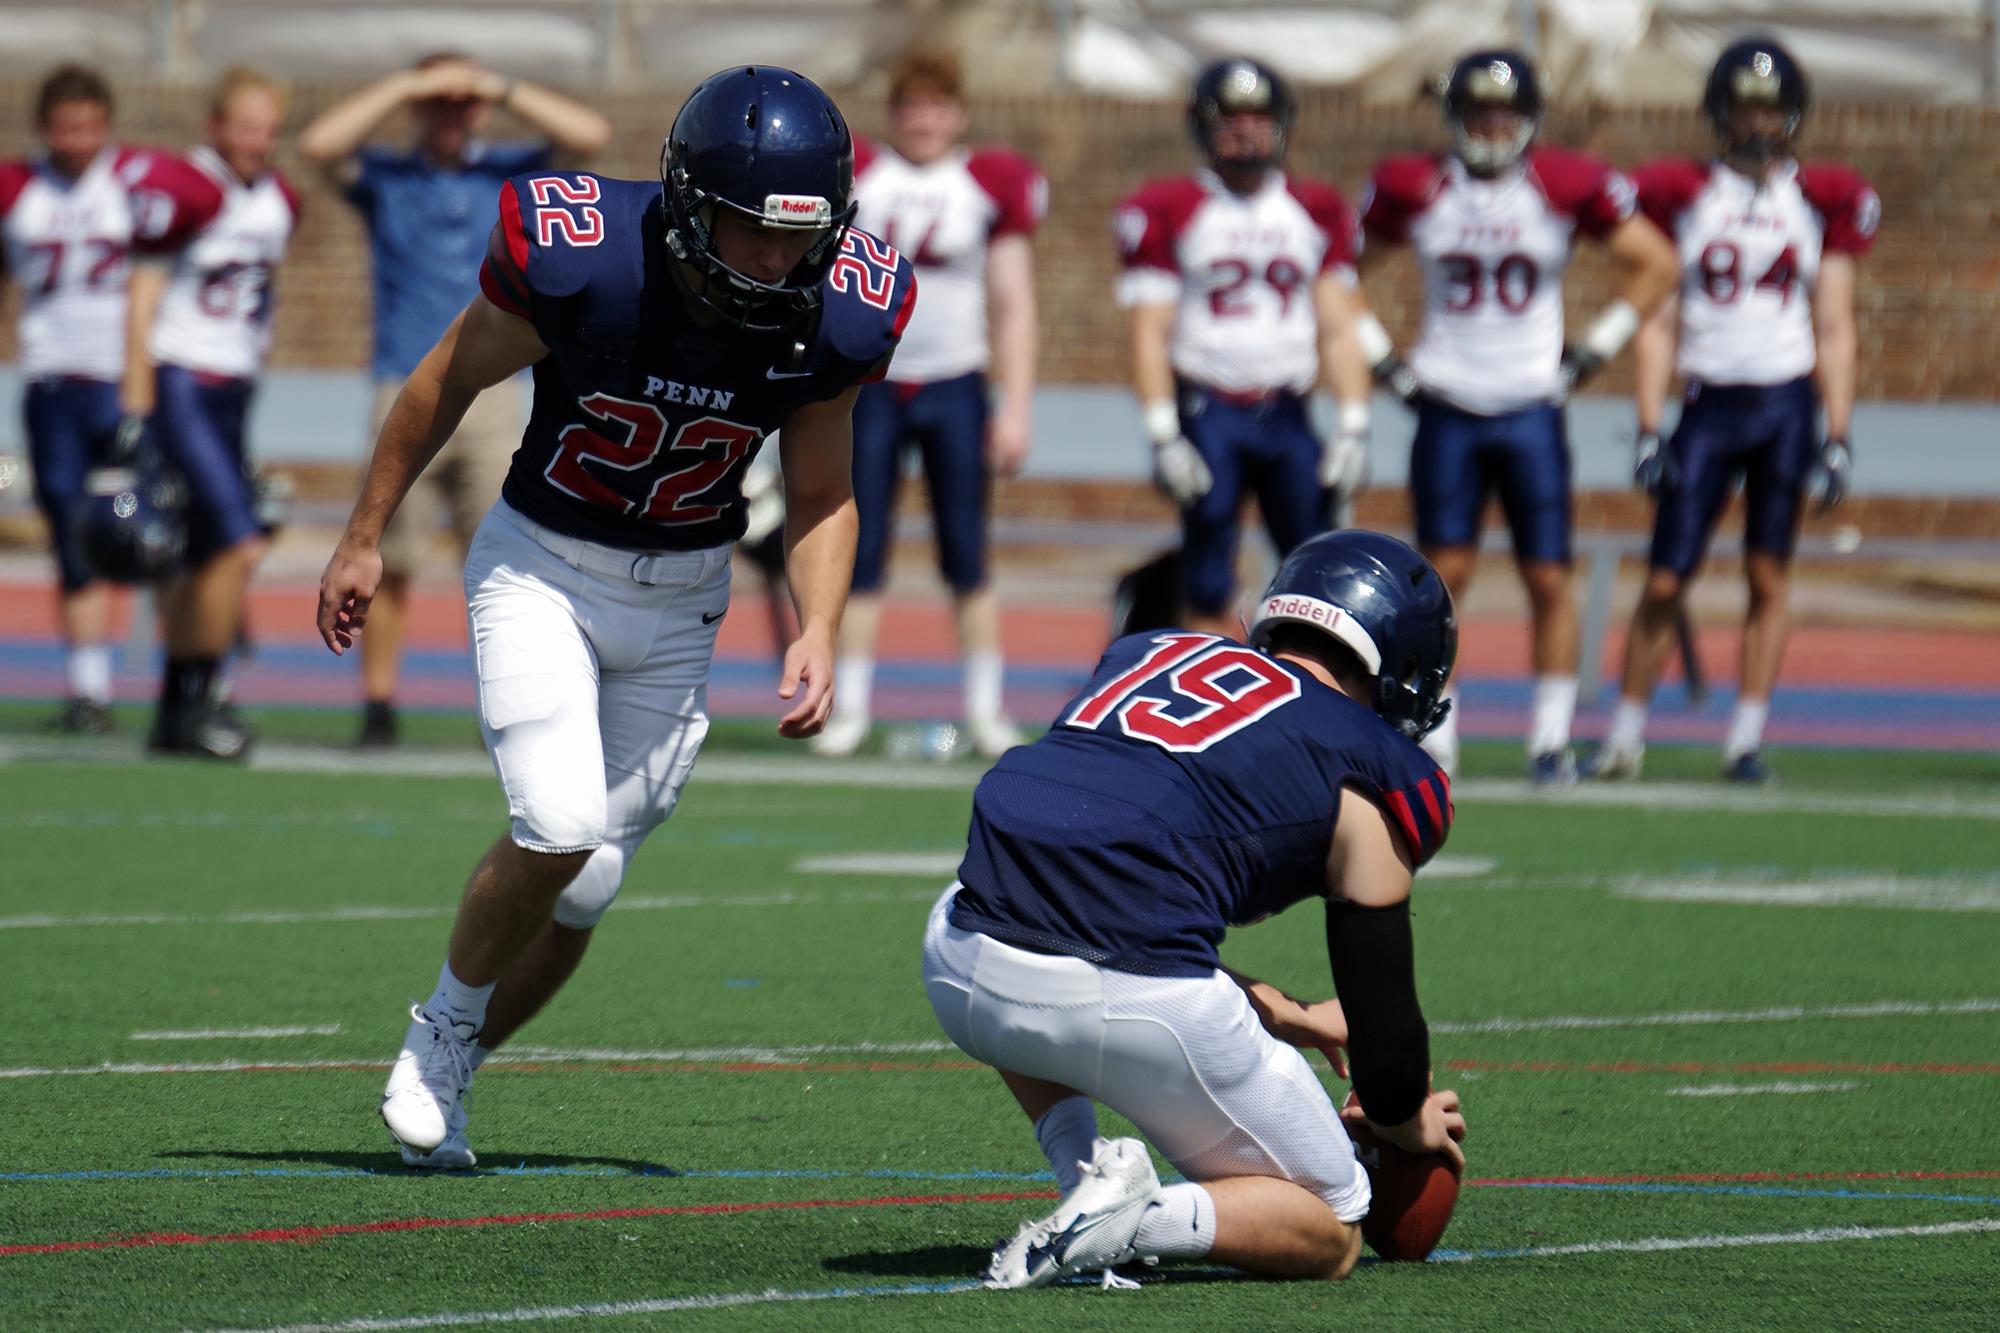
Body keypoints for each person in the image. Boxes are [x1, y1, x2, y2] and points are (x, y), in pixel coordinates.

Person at [315, 67, 914, 1168]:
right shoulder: (583, 257)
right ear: (689, 203)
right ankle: (439, 1031)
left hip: (686, 591)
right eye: (750, 232)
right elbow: (439, 382)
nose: (777, 260)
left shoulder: (844, 308)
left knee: (585, 881)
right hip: (541, 565)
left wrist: (816, 623)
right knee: (557, 823)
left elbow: (824, 489)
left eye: (799, 235)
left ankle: (460, 1060)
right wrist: (363, 533)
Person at [924, 529, 1467, 1288]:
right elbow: (1386, 1041)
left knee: (1060, 907)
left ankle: (1075, 1175)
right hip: (1118, 992)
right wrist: (1403, 1113)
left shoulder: (1147, 653)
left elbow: (1095, 880)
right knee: (1334, 1223)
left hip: (958, 959)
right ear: (1403, 670)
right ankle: (1135, 1217)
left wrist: (1291, 1011)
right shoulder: (1373, 765)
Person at [1354, 48, 1677, 784]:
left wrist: (1591, 355)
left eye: (1503, 114)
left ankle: (1549, 737)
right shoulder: (1419, 186)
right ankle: (1437, 737)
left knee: (1547, 576)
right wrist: (1382, 362)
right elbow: (1338, 268)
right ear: (1453, 117)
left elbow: (1657, 263)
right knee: (1443, 577)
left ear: (1528, 120)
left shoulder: (1560, 185)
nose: (1490, 127)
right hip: (1448, 405)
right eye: (1476, 113)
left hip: (1531, 404)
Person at [298, 54, 612, 747]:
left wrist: (496, 86)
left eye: (461, 103)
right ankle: (378, 705)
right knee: (389, 556)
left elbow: (590, 135)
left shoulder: (509, 173)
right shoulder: (389, 177)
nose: (452, 113)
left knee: (507, 564)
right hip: (405, 384)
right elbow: (317, 146)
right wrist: (408, 84)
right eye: (438, 103)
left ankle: (503, 707)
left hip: (498, 388)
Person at [1587, 38, 1877, 785]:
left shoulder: (1818, 199)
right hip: (1708, 401)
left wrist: (1839, 433)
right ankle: (1624, 737)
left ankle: (1744, 739)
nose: (1759, 121)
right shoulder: (1683, 193)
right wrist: (1649, 424)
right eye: (1747, 106)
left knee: (1768, 574)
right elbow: (1657, 319)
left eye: (1771, 107)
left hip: (1784, 401)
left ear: (1793, 115)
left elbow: (1835, 324)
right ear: (1720, 110)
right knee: (1664, 579)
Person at [808, 48, 1043, 759]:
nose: (924, 119)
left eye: (937, 106)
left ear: (959, 113)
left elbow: (1014, 302)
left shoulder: (986, 183)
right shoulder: (864, 176)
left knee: (967, 551)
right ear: (894, 113)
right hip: (871, 384)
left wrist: (1018, 406)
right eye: (912, 106)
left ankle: (984, 706)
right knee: (862, 545)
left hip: (955, 381)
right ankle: (847, 703)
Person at [1113, 58, 1374, 638]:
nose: (1244, 130)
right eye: (1229, 118)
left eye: (1257, 117)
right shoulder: (1170, 206)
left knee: (1317, 576)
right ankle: (1214, 712)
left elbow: (1337, 325)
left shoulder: (1315, 208)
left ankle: (1305, 707)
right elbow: (1148, 331)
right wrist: (1162, 433)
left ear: (1282, 124)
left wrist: (1354, 425)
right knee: (1208, 576)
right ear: (1202, 126)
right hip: (1210, 410)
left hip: (1287, 412)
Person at [124, 67, 300, 759]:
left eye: (267, 129)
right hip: (184, 380)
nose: (258, 141)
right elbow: (141, 294)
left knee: (202, 553)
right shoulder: (188, 186)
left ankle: (176, 709)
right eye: (246, 127)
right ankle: (198, 701)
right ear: (216, 126)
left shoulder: (278, 195)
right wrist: (134, 405)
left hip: (233, 384)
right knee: (237, 542)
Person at [0, 66, 143, 733]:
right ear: (44, 129)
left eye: (88, 125)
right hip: (52, 378)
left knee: (148, 529)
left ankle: (196, 680)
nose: (77, 139)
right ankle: (91, 688)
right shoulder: (18, 187)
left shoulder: (136, 186)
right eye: (65, 126)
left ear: (106, 125)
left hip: (122, 380)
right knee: (72, 531)